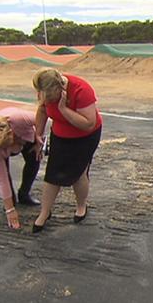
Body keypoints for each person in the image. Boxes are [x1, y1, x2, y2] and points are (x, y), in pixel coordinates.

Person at [31, 68, 102, 233]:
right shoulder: (45, 91)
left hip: (85, 136)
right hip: (61, 135)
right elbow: (42, 110)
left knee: (79, 173)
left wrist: (63, 109)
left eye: (51, 98)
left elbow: (88, 124)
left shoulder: (81, 89)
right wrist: (38, 135)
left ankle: (81, 206)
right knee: (53, 174)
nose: (49, 101)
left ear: (58, 89)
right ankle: (44, 212)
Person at [0, 107, 41, 229]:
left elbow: (43, 117)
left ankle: (24, 194)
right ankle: (13, 202)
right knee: (5, 180)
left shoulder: (18, 118)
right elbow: (1, 179)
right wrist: (10, 210)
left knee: (35, 159)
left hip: (25, 134)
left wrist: (39, 138)